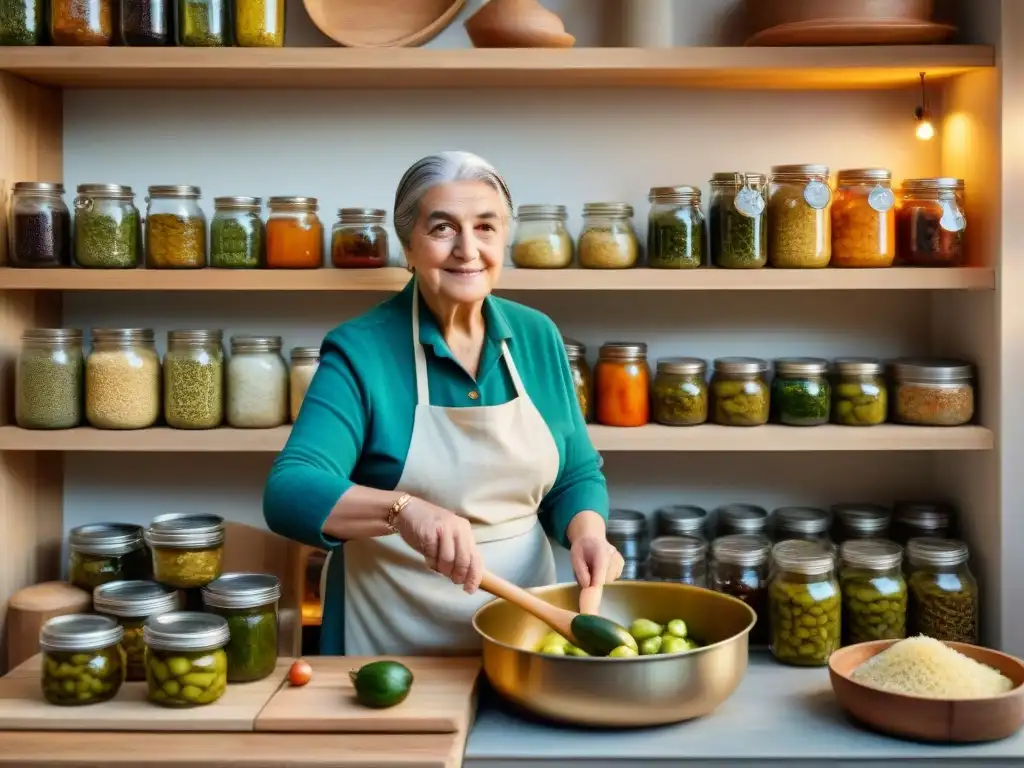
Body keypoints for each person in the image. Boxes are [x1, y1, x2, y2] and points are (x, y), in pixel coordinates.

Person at [263, 150, 622, 656]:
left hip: (526, 629)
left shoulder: (537, 335)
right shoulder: (361, 348)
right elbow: (288, 490)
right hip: (390, 638)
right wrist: (402, 510)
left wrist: (587, 530)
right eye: (442, 228)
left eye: (486, 226)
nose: (467, 249)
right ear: (408, 245)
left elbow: (575, 472)